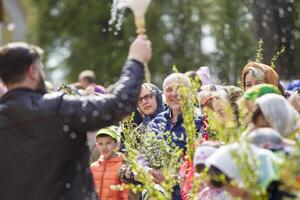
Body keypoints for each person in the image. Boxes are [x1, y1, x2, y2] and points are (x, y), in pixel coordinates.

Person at [0, 35, 151, 200]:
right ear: (32, 72)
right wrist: (135, 61)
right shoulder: (59, 107)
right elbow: (118, 105)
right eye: (41, 68)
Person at [90, 126, 128, 200]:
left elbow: (126, 194)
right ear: (97, 146)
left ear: (116, 145)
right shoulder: (93, 167)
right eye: (100, 144)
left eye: (108, 143)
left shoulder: (122, 166)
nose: (104, 147)